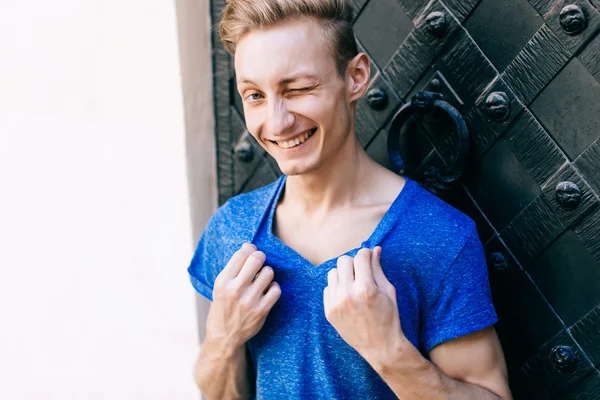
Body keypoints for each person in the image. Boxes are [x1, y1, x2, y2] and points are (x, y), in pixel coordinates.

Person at [187, 0, 512, 398]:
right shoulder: (232, 227)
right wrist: (223, 338)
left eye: (299, 89)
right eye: (254, 96)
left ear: (356, 76)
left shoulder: (439, 236)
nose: (275, 122)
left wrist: (390, 353)